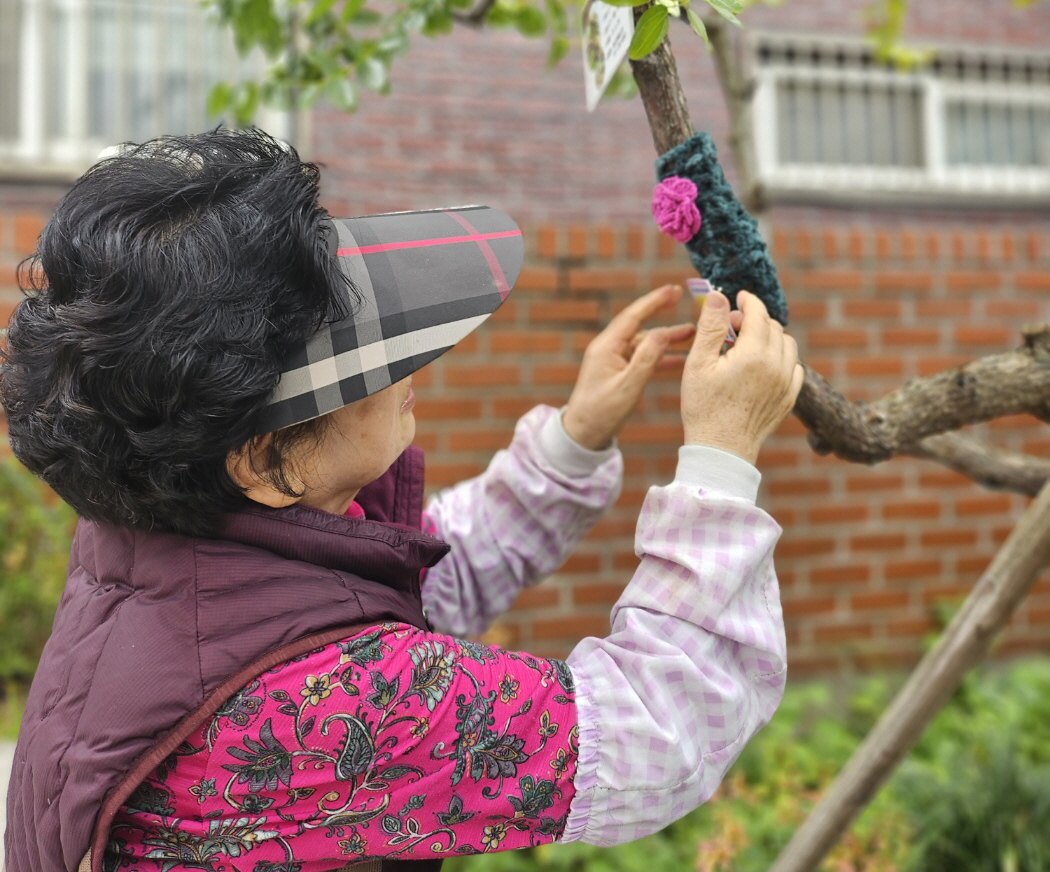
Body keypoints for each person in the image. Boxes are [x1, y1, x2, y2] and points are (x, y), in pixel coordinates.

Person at [0, 128, 803, 872]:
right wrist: (721, 459)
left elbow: (405, 586)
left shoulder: (156, 539)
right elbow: (656, 727)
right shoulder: (322, 710)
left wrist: (576, 438)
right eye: (369, 356)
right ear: (264, 458)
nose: (410, 363)